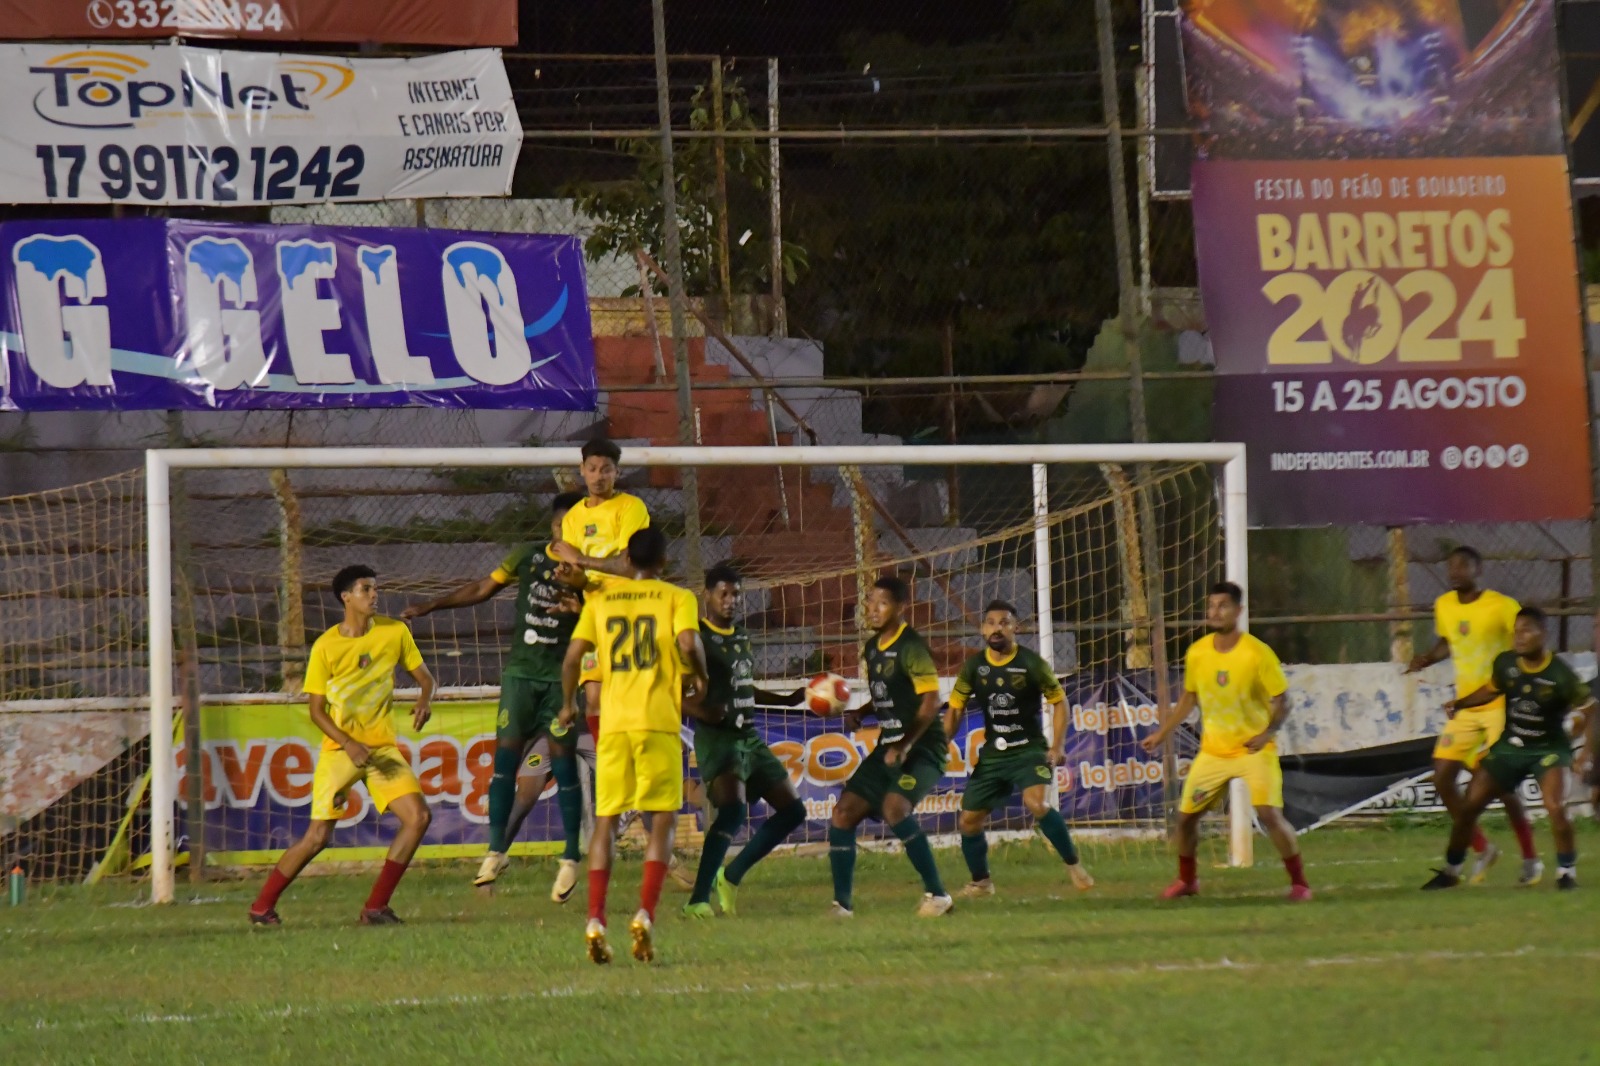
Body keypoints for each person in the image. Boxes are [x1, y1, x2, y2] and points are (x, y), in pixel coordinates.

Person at [402, 491, 589, 900]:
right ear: (553, 527)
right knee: (505, 764)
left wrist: (580, 608)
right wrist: (432, 605)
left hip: (563, 682)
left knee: (565, 769)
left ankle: (571, 857)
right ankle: (495, 851)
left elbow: (603, 622)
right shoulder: (528, 557)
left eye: (571, 528)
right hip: (521, 678)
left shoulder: (592, 575)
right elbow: (483, 588)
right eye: (559, 527)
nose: (563, 535)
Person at [249, 565, 434, 926]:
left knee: (419, 818)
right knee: (318, 836)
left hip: (381, 752)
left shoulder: (394, 632)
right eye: (366, 589)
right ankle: (261, 907)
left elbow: (425, 676)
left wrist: (425, 698)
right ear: (346, 597)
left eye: (375, 589)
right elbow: (316, 711)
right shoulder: (326, 647)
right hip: (341, 752)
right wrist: (348, 744)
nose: (374, 595)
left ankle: (375, 907)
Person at [560, 528, 709, 964]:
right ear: (663, 562)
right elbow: (687, 642)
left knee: (605, 822)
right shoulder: (676, 598)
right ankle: (644, 914)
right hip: (657, 724)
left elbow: (572, 659)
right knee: (661, 821)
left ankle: (595, 919)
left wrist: (569, 704)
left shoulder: (600, 602)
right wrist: (699, 673)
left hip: (614, 723)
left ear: (626, 559)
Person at [1141, 581, 1311, 902]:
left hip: (1253, 750)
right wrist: (1162, 733)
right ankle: (1187, 881)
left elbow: (1282, 700)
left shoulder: (1257, 653)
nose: (1216, 612)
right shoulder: (1198, 652)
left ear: (1239, 611)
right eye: (1212, 606)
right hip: (1214, 753)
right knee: (1186, 818)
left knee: (1269, 815)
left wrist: (1266, 734)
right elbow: (1189, 698)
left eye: (1223, 606)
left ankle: (1300, 884)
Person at [1423, 608, 1594, 891]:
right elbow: (1491, 689)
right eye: (1516, 631)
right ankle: (1451, 870)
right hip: (1510, 747)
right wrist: (1461, 703)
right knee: (1468, 807)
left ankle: (1566, 872)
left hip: (1548, 749)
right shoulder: (1506, 663)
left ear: (1543, 634)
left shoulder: (1560, 674)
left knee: (1555, 807)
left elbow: (1590, 709)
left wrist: (1585, 752)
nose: (1519, 637)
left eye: (1526, 630)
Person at [1406, 546, 1541, 884]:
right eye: (1450, 566)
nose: (1454, 572)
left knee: (1502, 785)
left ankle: (1530, 859)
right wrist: (1427, 657)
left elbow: (1527, 639)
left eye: (1462, 566)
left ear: (1478, 570)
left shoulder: (1501, 606)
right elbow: (1448, 642)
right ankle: (1484, 848)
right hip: (1466, 706)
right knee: (1442, 778)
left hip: (1499, 705)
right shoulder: (1444, 605)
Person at [682, 565, 810, 918]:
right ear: (706, 595)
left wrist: (785, 699)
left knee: (794, 810)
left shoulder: (740, 636)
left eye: (735, 594)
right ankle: (697, 900)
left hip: (748, 737)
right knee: (734, 810)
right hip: (718, 739)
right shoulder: (695, 639)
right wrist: (704, 713)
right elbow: (671, 694)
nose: (730, 601)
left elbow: (743, 687)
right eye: (723, 593)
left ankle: (732, 875)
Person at [827, 576, 954, 918]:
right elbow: (888, 694)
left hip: (923, 749)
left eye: (882, 603)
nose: (873, 608)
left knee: (895, 808)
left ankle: (938, 895)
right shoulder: (872, 647)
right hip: (890, 747)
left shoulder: (912, 647)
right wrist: (862, 711)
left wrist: (904, 743)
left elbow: (930, 703)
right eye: (870, 601)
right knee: (842, 813)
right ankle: (842, 906)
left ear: (901, 608)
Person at [947, 600, 1092, 897]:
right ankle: (981, 882)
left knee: (1037, 803)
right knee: (968, 820)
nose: (997, 628)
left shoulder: (1031, 663)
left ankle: (1074, 864)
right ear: (982, 629)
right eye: (991, 622)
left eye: (1004, 622)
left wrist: (1057, 744)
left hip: (1028, 749)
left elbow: (1059, 703)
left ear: (1016, 628)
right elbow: (955, 709)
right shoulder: (974, 667)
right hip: (994, 754)